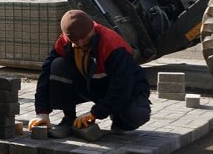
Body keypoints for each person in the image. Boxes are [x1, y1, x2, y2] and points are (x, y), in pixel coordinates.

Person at [31, 10, 152, 138]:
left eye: (84, 39)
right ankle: (69, 119)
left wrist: (96, 113)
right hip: (91, 85)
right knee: (57, 65)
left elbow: (122, 87)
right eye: (76, 42)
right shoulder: (64, 42)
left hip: (126, 88)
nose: (81, 44)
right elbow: (45, 75)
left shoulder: (113, 46)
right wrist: (42, 112)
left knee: (136, 114)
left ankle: (119, 120)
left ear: (92, 29)